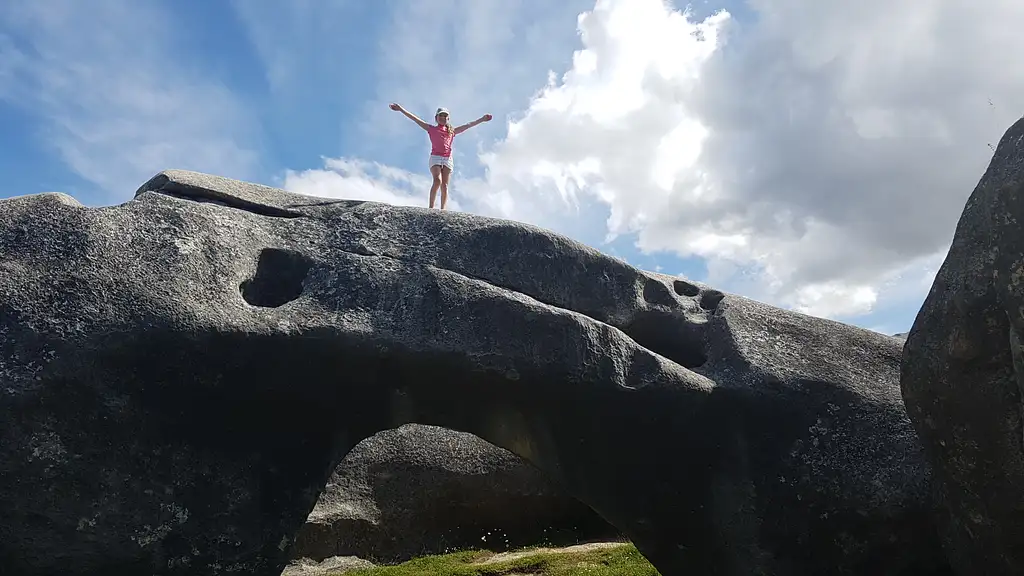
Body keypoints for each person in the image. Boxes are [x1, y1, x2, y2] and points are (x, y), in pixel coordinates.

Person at [389, 103, 492, 209]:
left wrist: (482, 119)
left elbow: (468, 125)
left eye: (445, 116)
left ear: (448, 118)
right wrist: (400, 109)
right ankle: (431, 207)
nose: (443, 118)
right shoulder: (431, 129)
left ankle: (443, 209)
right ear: (436, 118)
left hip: (447, 158)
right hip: (435, 157)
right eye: (440, 116)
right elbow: (415, 119)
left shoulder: (452, 131)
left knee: (445, 185)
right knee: (437, 180)